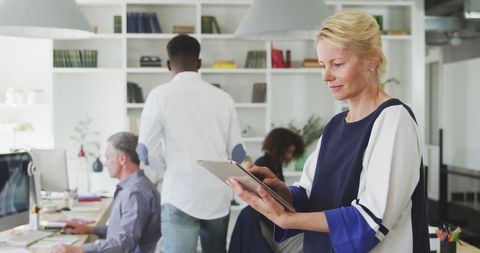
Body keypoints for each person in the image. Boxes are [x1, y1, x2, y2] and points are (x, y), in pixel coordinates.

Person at [227, 10, 430, 253]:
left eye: (338, 64)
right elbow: (310, 195)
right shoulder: (336, 125)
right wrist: (278, 191)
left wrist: (287, 219)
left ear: (372, 61)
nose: (326, 76)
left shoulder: (394, 120)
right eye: (323, 65)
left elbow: (371, 221)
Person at [136, 34, 246, 253]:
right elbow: (238, 152)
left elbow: (145, 151)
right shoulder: (222, 97)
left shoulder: (159, 95)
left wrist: (169, 168)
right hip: (217, 196)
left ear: (169, 65)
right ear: (199, 63)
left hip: (180, 194)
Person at [52, 132, 161, 253]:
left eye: (108, 157)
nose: (105, 163)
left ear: (122, 159)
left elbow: (125, 242)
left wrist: (79, 250)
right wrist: (89, 229)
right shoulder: (131, 187)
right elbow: (121, 230)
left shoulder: (135, 193)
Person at [229, 128, 304, 253]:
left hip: (265, 215)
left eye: (292, 153)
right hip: (259, 218)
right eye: (288, 152)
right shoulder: (262, 164)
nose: (290, 156)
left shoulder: (276, 165)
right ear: (280, 148)